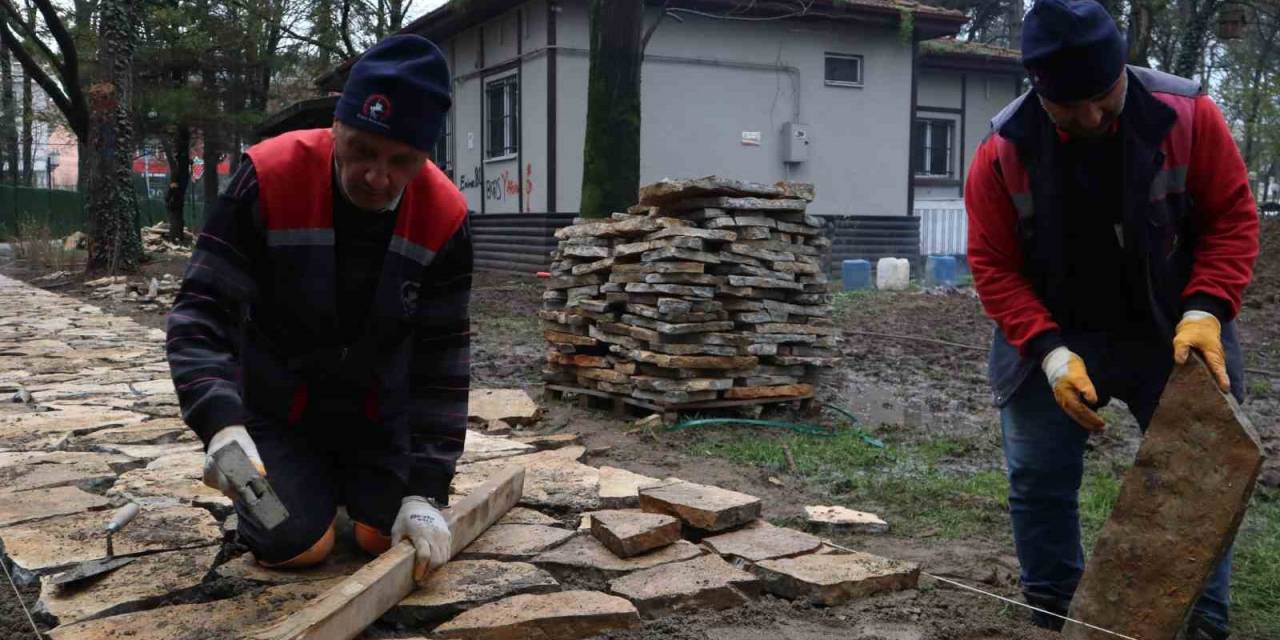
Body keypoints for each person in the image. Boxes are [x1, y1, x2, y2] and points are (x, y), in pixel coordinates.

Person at [964, 1, 1258, 637]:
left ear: (1122, 68)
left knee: (1200, 470)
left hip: (1173, 325)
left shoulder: (1188, 115)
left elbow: (1232, 220)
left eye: (1104, 95)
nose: (1093, 117)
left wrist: (1207, 309)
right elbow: (993, 266)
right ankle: (1053, 612)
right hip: (1058, 328)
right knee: (1038, 475)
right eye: (1072, 107)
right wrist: (1046, 351)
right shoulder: (1001, 152)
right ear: (1040, 90)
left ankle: (1200, 623)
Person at [166, 34, 471, 586]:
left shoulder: (444, 215)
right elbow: (201, 310)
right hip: (273, 411)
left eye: (401, 161)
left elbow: (442, 360)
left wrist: (427, 488)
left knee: (390, 539)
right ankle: (303, 490)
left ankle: (352, 489)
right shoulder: (270, 176)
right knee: (290, 543)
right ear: (336, 128)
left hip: (378, 416)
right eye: (361, 151)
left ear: (426, 157)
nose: (377, 177)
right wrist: (220, 423)